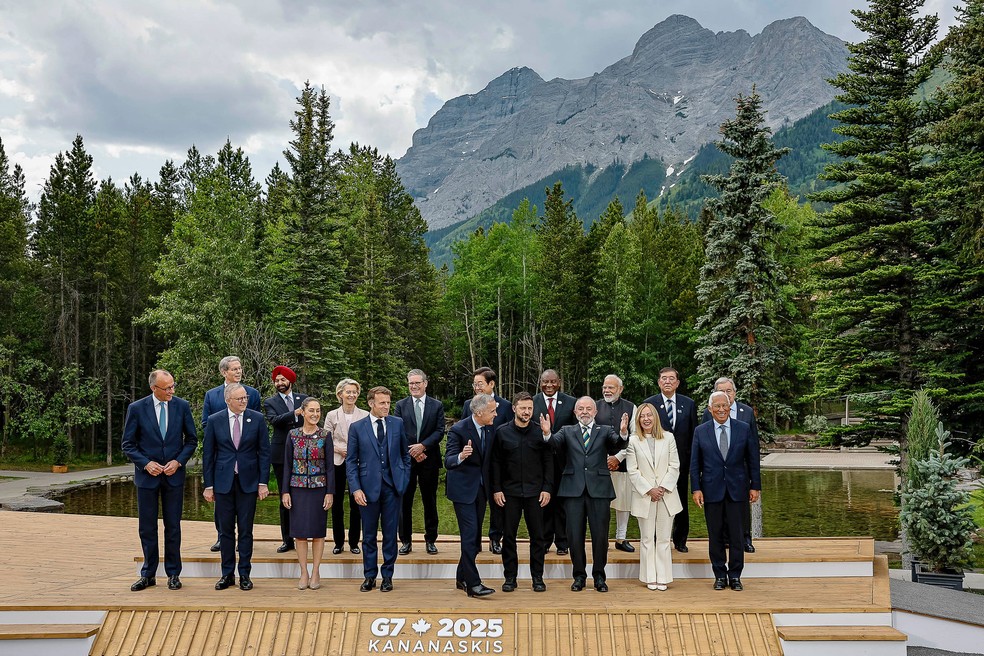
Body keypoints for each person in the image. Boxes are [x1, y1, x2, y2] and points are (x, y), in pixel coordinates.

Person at [540, 397, 628, 592]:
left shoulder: (605, 430)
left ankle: (599, 577)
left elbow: (618, 444)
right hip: (573, 491)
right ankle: (579, 576)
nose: (585, 412)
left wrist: (623, 432)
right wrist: (547, 433)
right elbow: (553, 444)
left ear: (595, 412)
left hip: (600, 491)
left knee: (600, 537)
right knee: (574, 536)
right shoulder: (567, 431)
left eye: (589, 408)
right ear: (575, 412)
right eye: (581, 409)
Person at [121, 369, 197, 592]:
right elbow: (128, 444)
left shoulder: (182, 406)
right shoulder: (136, 408)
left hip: (174, 477)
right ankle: (148, 574)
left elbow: (191, 440)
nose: (172, 391)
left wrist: (179, 462)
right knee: (147, 527)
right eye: (167, 388)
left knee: (173, 526)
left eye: (173, 386)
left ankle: (173, 574)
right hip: (147, 478)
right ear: (154, 388)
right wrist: (146, 463)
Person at [203, 383, 271, 591]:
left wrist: (263, 482)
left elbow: (264, 452)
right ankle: (227, 574)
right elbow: (208, 455)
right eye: (240, 398)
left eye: (245, 398)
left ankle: (244, 574)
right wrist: (209, 485)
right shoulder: (215, 420)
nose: (244, 401)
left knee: (245, 530)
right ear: (228, 401)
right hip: (223, 483)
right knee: (225, 531)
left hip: (248, 482)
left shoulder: (256, 418)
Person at [691, 391, 761, 591]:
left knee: (737, 536)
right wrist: (696, 488)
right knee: (715, 536)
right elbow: (695, 463)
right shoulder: (701, 431)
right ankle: (720, 575)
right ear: (710, 409)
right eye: (717, 406)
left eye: (724, 405)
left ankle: (735, 575)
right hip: (711, 490)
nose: (721, 409)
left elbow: (753, 459)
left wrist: (755, 485)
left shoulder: (743, 428)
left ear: (730, 407)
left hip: (737, 490)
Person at [346, 386, 410, 593]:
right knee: (369, 535)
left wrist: (403, 479)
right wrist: (356, 489)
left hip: (393, 488)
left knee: (391, 535)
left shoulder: (397, 423)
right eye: (382, 403)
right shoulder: (357, 427)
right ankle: (370, 576)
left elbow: (405, 455)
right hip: (367, 489)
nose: (386, 406)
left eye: (388, 403)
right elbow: (351, 461)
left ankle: (388, 576)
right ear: (371, 403)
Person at [491, 392, 553, 593]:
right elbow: (495, 463)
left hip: (536, 493)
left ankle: (537, 577)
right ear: (514, 408)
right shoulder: (502, 432)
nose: (526, 412)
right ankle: (510, 577)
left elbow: (549, 462)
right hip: (509, 493)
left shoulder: (540, 432)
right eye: (523, 408)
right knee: (509, 537)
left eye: (529, 408)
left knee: (538, 537)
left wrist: (547, 488)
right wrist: (497, 489)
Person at [202, 355, 262, 552]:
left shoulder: (252, 394)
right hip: (222, 457)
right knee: (222, 507)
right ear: (224, 372)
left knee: (245, 512)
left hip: (245, 461)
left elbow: (256, 425)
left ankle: (243, 543)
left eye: (240, 368)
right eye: (234, 369)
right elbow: (206, 423)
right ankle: (222, 537)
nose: (238, 371)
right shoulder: (212, 395)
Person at [626, 402, 682, 591]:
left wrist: (662, 487)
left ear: (655, 417)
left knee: (664, 539)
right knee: (647, 538)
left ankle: (663, 577)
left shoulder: (668, 438)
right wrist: (650, 489)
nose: (646, 419)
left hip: (666, 495)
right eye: (642, 416)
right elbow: (632, 470)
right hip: (645, 496)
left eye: (649, 415)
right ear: (638, 420)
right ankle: (649, 577)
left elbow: (674, 466)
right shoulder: (633, 441)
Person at [446, 393, 498, 597]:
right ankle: (473, 584)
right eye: (492, 411)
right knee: (469, 537)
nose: (496, 414)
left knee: (474, 538)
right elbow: (448, 461)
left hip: (481, 491)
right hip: (463, 492)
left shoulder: (490, 428)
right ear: (479, 412)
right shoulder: (458, 430)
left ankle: (461, 577)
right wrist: (461, 456)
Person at [700, 376, 760, 553]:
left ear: (734, 392)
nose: (726, 394)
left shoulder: (746, 412)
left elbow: (753, 448)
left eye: (729, 390)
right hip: (717, 473)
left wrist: (755, 483)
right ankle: (724, 540)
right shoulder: (708, 413)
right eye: (721, 391)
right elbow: (704, 443)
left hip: (740, 471)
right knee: (719, 509)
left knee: (741, 509)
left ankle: (745, 539)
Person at [643, 367, 698, 553]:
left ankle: (680, 539)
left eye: (671, 378)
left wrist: (693, 462)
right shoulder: (649, 404)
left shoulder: (688, 404)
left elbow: (693, 435)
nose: (667, 381)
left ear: (677, 383)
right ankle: (656, 538)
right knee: (657, 501)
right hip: (656, 464)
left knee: (680, 501)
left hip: (681, 463)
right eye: (664, 378)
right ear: (659, 382)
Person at [282, 397, 333, 590]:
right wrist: (285, 491)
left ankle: (316, 571)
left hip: (319, 489)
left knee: (318, 532)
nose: (315, 414)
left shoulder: (325, 435)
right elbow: (287, 465)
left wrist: (330, 492)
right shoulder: (292, 435)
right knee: (300, 533)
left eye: (318, 411)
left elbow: (330, 467)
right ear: (302, 412)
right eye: (311, 410)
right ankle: (303, 572)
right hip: (297, 489)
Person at [461, 367, 513, 555]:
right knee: (476, 504)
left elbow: (509, 431)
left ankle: (495, 538)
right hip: (475, 465)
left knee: (498, 503)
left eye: (480, 384)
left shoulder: (505, 406)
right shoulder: (468, 404)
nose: (477, 387)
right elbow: (463, 429)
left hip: (497, 463)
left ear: (491, 384)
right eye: (475, 384)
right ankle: (474, 542)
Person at [394, 369, 446, 555]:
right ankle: (405, 541)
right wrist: (413, 451)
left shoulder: (436, 405)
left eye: (417, 383)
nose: (414, 386)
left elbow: (440, 431)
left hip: (429, 459)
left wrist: (423, 447)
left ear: (425, 383)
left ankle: (430, 540)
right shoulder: (400, 405)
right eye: (411, 383)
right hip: (407, 460)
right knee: (404, 502)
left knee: (429, 501)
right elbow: (398, 431)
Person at [532, 369, 577, 556]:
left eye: (552, 382)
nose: (549, 385)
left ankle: (562, 542)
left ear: (559, 382)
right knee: (543, 503)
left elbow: (575, 432)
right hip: (539, 462)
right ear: (540, 382)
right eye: (545, 382)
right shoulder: (532, 402)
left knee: (562, 504)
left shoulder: (571, 402)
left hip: (564, 461)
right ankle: (543, 541)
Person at [263, 365, 307, 554]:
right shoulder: (270, 402)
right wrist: (295, 413)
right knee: (285, 496)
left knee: (303, 496)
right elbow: (274, 420)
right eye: (276, 381)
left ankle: (303, 535)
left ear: (290, 380)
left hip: (303, 453)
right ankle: (287, 540)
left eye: (282, 380)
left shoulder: (304, 399)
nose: (279, 383)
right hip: (281, 454)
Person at [323, 378, 369, 555]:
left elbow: (368, 439)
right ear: (340, 394)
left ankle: (354, 542)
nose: (351, 395)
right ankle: (338, 542)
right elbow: (326, 439)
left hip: (357, 462)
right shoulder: (331, 415)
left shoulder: (364, 415)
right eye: (348, 392)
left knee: (356, 503)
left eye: (354, 392)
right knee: (337, 505)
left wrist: (354, 451)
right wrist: (339, 449)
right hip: (337, 461)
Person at [596, 374, 637, 554]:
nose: (607, 390)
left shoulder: (631, 407)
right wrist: (605, 458)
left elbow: (635, 436)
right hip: (600, 464)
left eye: (611, 387)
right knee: (601, 505)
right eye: (605, 387)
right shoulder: (595, 406)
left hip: (623, 462)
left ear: (620, 389)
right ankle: (602, 539)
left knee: (623, 503)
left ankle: (621, 538)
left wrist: (619, 457)